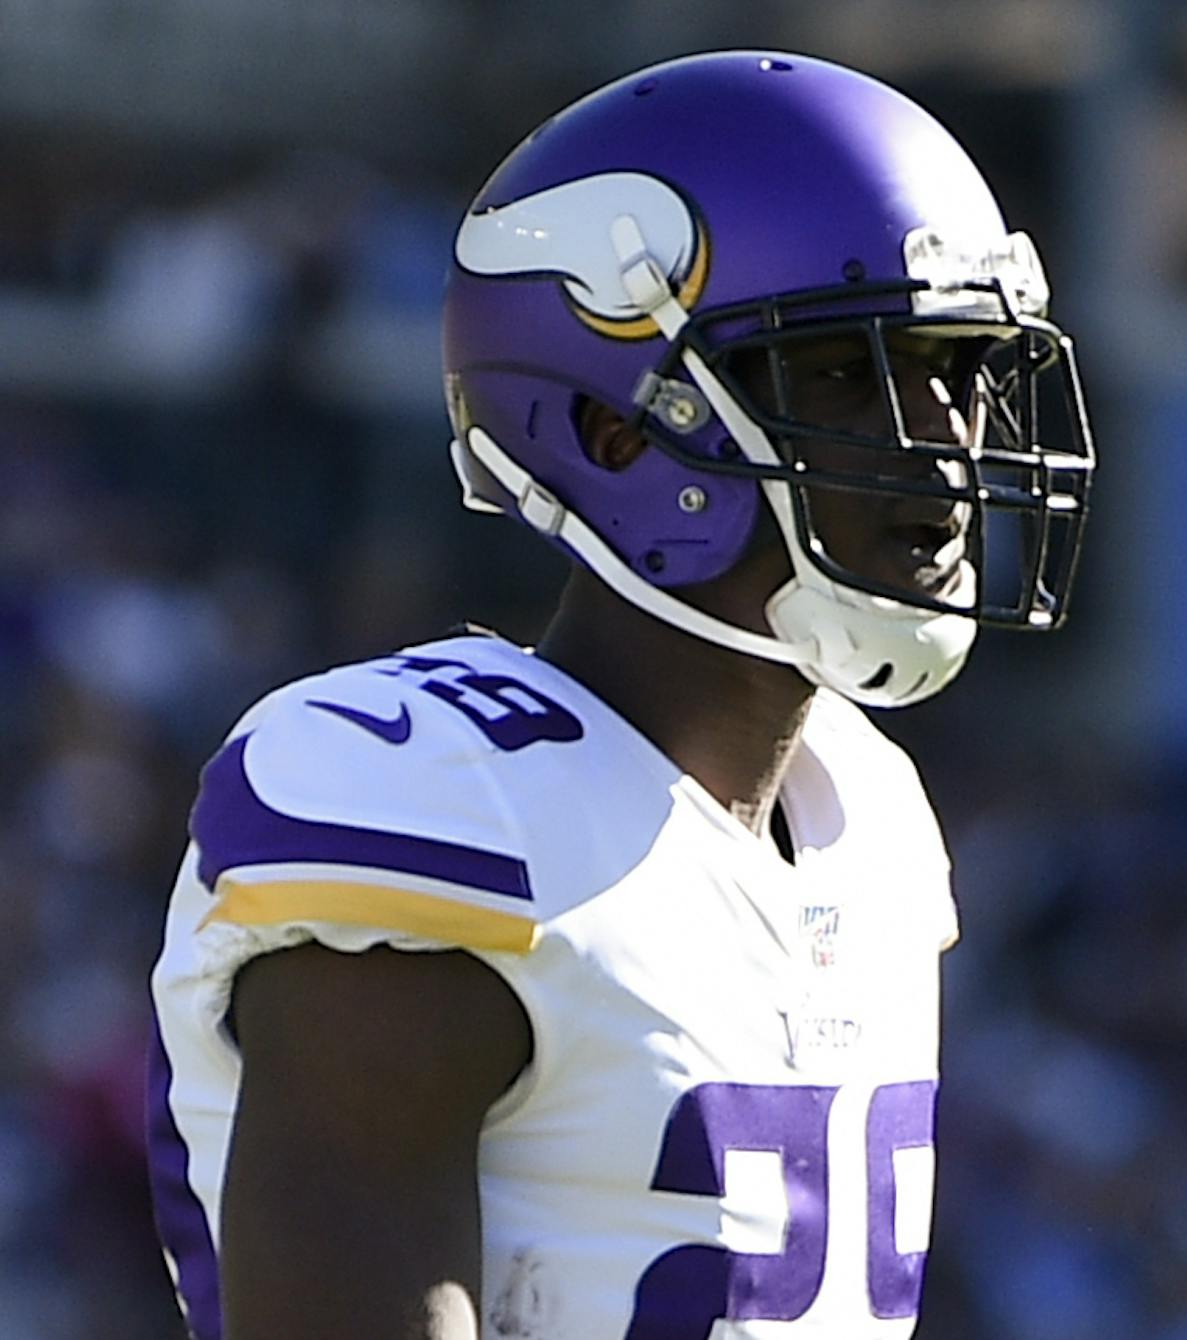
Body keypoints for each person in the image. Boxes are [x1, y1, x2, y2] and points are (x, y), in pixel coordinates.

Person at [147, 49, 1095, 1340]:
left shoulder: (866, 815)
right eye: (843, 373)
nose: (944, 446)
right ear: (617, 433)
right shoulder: (440, 805)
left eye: (959, 371)